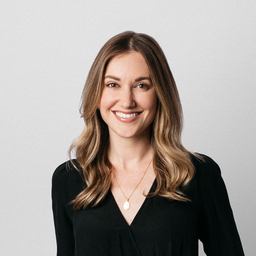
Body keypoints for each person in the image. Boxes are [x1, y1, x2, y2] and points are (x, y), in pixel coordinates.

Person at [52, 31, 244, 256]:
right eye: (113, 84)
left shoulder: (198, 174)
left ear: (160, 94)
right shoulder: (68, 179)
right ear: (96, 93)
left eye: (141, 85)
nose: (127, 101)